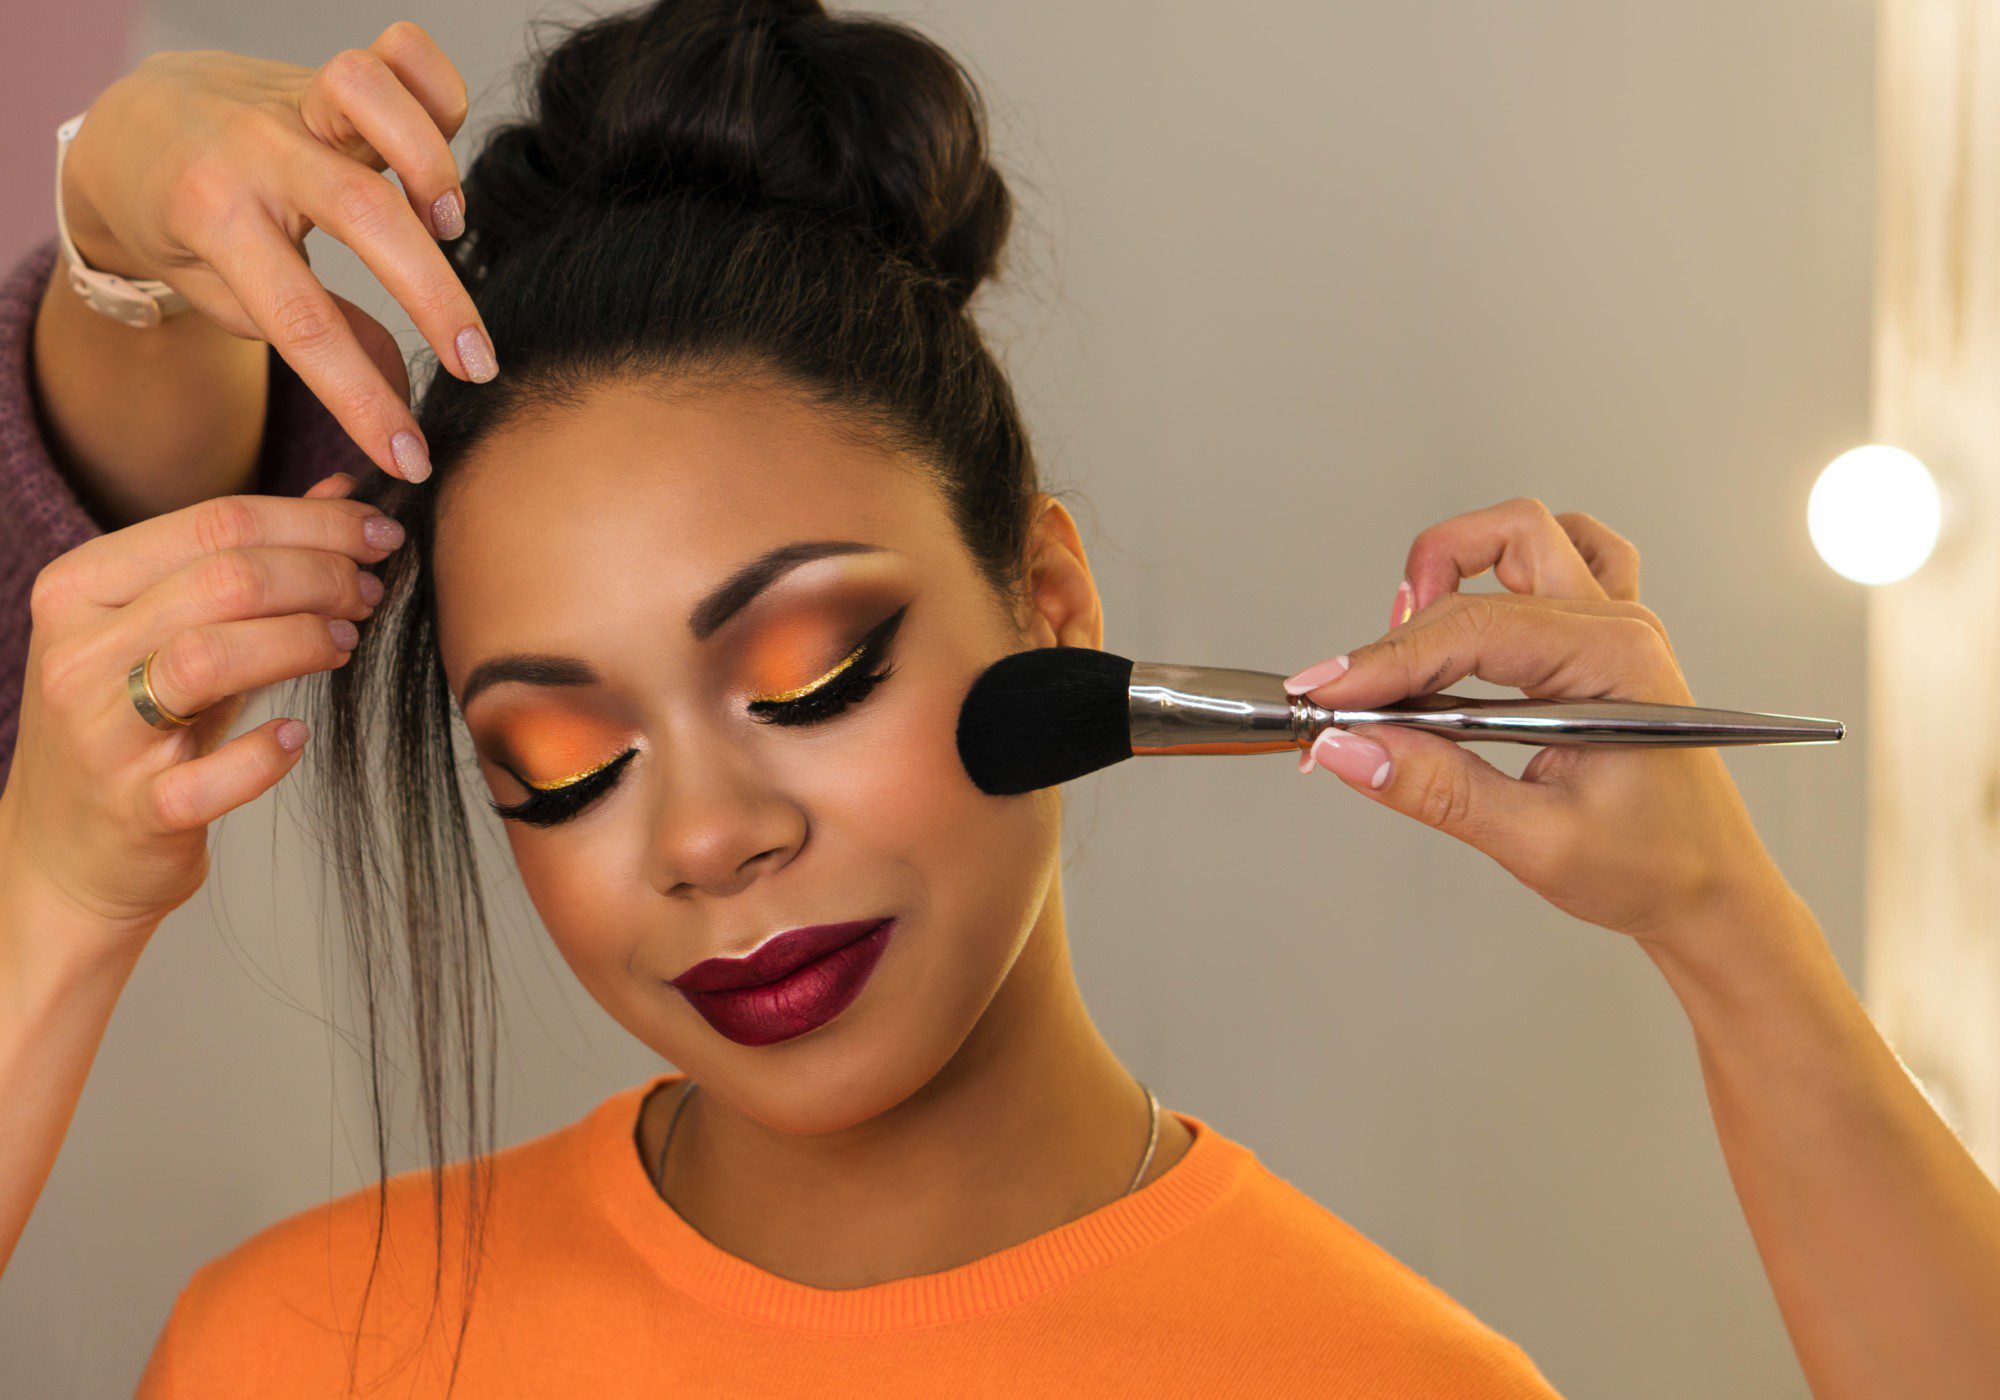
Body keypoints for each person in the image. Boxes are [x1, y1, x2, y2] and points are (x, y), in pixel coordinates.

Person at [0, 4, 1994, 1397]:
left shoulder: (1393, 1382)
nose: (707, 838)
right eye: (561, 760)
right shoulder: (299, 1352)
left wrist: (1725, 929)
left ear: (1048, 598)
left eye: (814, 674)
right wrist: (56, 896)